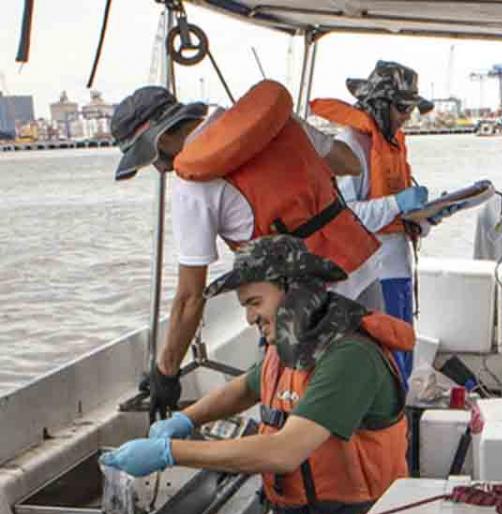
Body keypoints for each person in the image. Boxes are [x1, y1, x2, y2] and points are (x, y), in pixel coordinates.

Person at [101, 235, 412, 514]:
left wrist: (169, 454)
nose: (249, 318)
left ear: (295, 294)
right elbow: (245, 388)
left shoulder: (349, 357)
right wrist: (184, 420)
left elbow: (283, 452)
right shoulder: (294, 345)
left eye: (255, 303)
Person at [112, 80, 381, 419]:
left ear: (162, 139)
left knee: (297, 417)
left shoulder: (193, 186)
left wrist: (165, 372)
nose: (159, 169)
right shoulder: (279, 123)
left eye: (150, 159)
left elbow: (190, 298)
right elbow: (349, 163)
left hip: (306, 308)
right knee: (368, 398)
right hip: (362, 267)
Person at [311, 60, 439, 383]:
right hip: (374, 276)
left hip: (397, 270)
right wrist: (398, 202)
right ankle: (386, 430)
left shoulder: (390, 144)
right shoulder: (352, 145)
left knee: (402, 358)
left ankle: (398, 429)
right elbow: (346, 215)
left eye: (410, 109)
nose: (407, 116)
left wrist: (422, 219)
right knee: (385, 365)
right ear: (379, 105)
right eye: (401, 108)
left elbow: (391, 210)